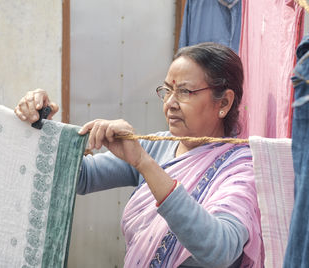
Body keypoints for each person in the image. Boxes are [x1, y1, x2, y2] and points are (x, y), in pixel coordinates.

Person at [15, 42, 264, 268]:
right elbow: (80, 177)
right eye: (167, 91)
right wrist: (42, 127)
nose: (170, 103)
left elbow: (220, 250)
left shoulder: (241, 169)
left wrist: (144, 164)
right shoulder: (159, 146)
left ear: (224, 103)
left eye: (185, 92)